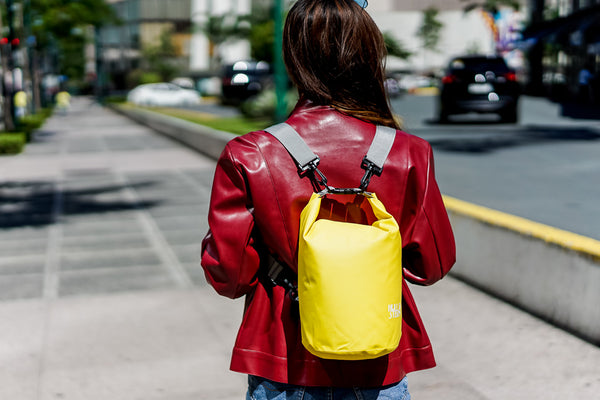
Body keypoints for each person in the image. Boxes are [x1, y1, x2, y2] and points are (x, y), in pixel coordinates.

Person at [201, 0, 456, 398]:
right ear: (369, 54)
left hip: (286, 360)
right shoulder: (409, 152)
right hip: (379, 361)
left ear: (293, 59)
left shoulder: (250, 154)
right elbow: (431, 266)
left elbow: (229, 276)